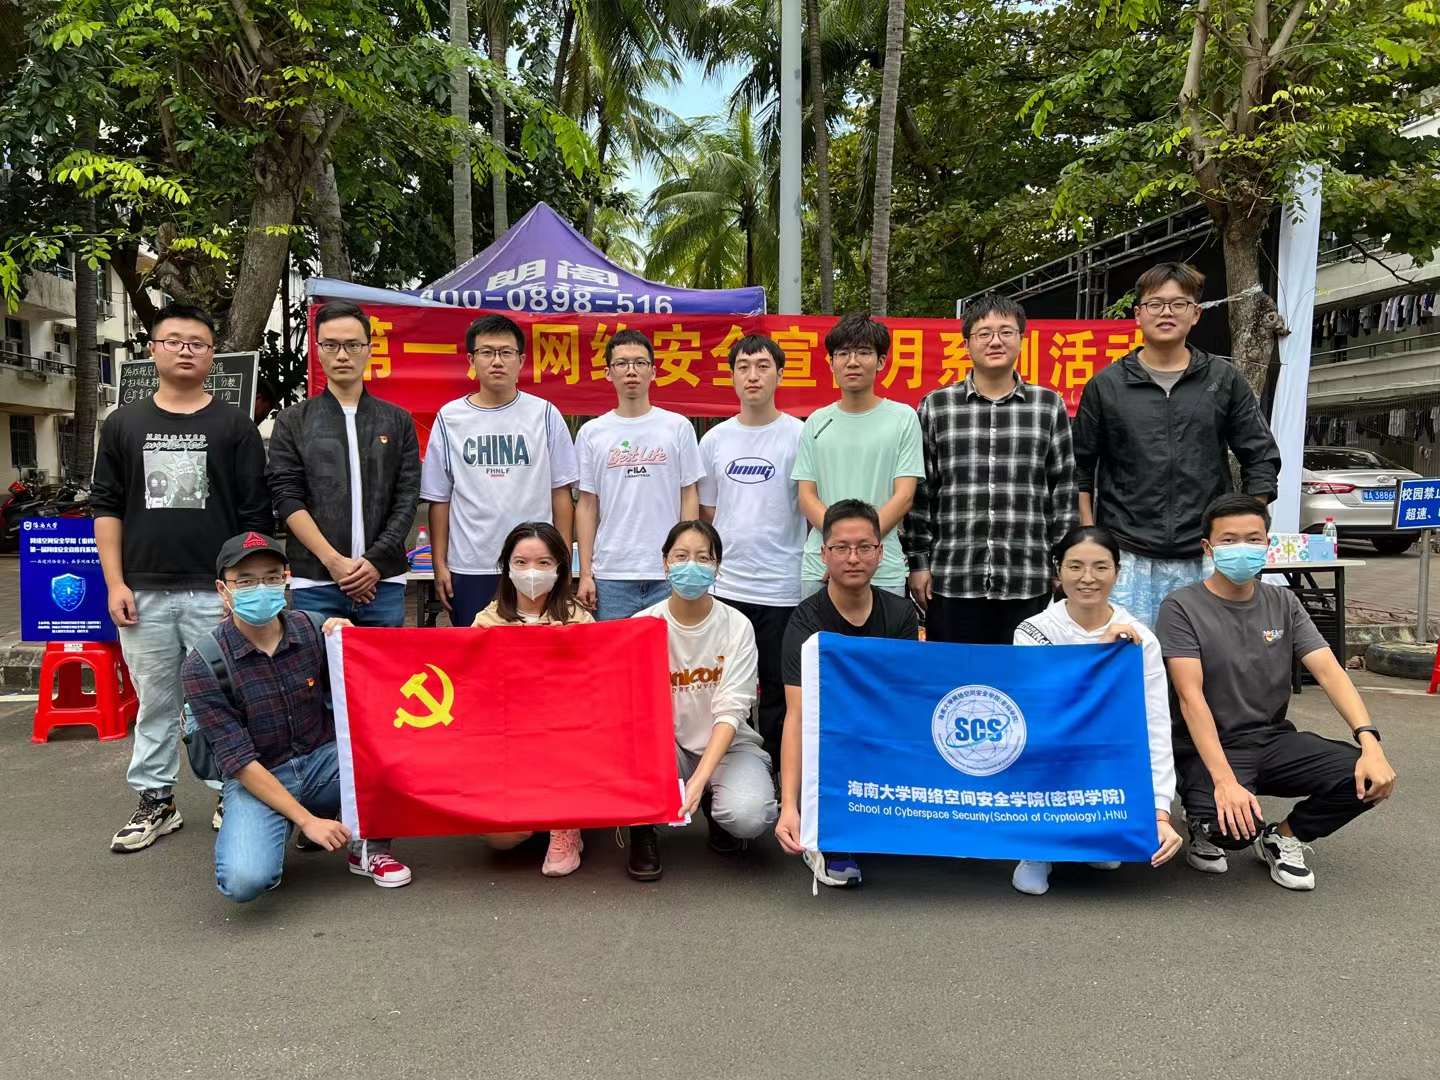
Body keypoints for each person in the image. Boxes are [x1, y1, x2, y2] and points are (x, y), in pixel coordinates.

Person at [92, 302, 273, 853]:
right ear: (153, 350)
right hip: (143, 590)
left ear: (212, 355)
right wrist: (115, 583)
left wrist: (241, 589)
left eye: (197, 343)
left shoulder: (235, 426)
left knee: (226, 698)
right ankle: (156, 800)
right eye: (173, 340)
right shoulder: (123, 424)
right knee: (155, 702)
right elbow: (106, 507)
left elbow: (254, 517)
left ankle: (230, 792)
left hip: (214, 593)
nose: (185, 350)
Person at [1156, 495, 1398, 891]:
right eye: (1229, 540)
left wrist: (1370, 743)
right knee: (1231, 830)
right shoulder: (1181, 607)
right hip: (1206, 747)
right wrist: (1225, 782)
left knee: (1368, 777)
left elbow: (1330, 672)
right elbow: (1190, 697)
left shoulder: (1284, 602)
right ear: (1208, 548)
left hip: (1271, 740)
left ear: (1267, 544)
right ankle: (1203, 819)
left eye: (1253, 539)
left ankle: (1285, 836)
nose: (1242, 548)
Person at [181, 532, 413, 900]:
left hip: (323, 761)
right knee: (244, 881)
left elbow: (366, 694)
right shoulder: (204, 664)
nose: (262, 588)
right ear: (223, 590)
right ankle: (290, 821)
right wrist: (307, 820)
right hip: (260, 774)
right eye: (246, 581)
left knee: (390, 755)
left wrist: (350, 643)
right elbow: (239, 762)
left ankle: (368, 848)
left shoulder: (312, 628)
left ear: (286, 580)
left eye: (272, 577)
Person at [1072, 262, 1281, 627]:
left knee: (1206, 654)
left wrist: (1241, 530)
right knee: (1130, 652)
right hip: (1127, 553)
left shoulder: (1224, 379)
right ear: (1138, 314)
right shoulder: (1106, 386)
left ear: (1195, 313)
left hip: (1205, 551)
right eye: (1155, 303)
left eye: (1178, 304)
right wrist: (1091, 538)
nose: (1166, 312)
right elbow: (1080, 468)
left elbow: (1260, 456)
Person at [1009, 525, 1182, 895]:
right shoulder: (1032, 630)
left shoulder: (1140, 638)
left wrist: (1159, 811)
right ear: (1058, 570)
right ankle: (1036, 850)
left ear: (1117, 572)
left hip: (1107, 753)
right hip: (1051, 748)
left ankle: (1102, 834)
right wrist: (1100, 656)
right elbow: (1043, 708)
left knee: (1122, 748)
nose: (1087, 578)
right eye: (1075, 566)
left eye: (1101, 567)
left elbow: (1154, 722)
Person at [905, 293, 1078, 644]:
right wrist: (919, 564)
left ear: (1021, 339)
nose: (995, 341)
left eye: (1005, 332)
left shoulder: (1048, 405)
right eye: (984, 333)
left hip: (1027, 575)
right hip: (952, 575)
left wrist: (1062, 562)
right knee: (953, 674)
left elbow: (1063, 490)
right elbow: (922, 493)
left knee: (1023, 675)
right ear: (967, 343)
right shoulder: (937, 406)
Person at [774, 500, 920, 887]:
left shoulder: (901, 614)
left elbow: (905, 700)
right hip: (830, 743)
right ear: (824, 554)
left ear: (880, 552)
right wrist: (790, 805)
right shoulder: (806, 621)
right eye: (841, 547)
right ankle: (826, 835)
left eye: (864, 547)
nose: (853, 558)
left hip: (881, 734)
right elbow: (797, 716)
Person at [629, 521, 777, 880]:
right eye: (681, 556)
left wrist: (700, 779)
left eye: (703, 557)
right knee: (631, 757)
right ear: (665, 563)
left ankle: (715, 802)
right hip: (667, 747)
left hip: (728, 746)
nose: (691, 566)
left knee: (751, 814)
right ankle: (642, 829)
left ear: (717, 567)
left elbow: (731, 710)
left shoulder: (737, 625)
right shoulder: (641, 624)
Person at [268, 300, 421, 629]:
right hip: (316, 581)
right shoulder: (293, 421)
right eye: (331, 345)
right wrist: (333, 562)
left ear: (368, 349)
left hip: (383, 580)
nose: (342, 355)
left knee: (383, 664)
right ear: (318, 350)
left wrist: (374, 562)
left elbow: (407, 497)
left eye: (352, 345)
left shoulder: (397, 420)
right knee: (318, 663)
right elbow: (287, 497)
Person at [421, 313, 578, 628]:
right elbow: (440, 499)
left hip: (534, 566)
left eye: (506, 352)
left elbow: (561, 494)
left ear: (521, 361)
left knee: (535, 650)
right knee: (476, 650)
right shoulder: (450, 418)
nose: (497, 361)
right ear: (471, 360)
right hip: (471, 564)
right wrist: (440, 565)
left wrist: (561, 561)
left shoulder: (545, 414)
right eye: (487, 352)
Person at [698, 333, 806, 765]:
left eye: (762, 366)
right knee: (725, 688)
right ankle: (727, 770)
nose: (753, 376)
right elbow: (708, 512)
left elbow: (807, 506)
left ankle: (779, 774)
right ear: (731, 377)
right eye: (743, 367)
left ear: (780, 374)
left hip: (783, 587)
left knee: (780, 689)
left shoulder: (800, 435)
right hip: (727, 587)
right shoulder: (715, 440)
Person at [471, 521, 595, 876]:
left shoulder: (579, 619)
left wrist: (570, 649)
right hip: (509, 738)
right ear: (507, 567)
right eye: (521, 562)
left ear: (559, 568)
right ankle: (536, 812)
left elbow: (598, 686)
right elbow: (471, 688)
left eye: (543, 563)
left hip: (565, 739)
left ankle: (565, 825)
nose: (531, 572)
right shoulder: (486, 621)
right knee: (503, 838)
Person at [792, 314, 923, 601]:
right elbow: (807, 496)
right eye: (843, 354)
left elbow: (904, 496)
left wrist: (856, 551)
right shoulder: (816, 422)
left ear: (881, 361)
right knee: (818, 634)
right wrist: (839, 552)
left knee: (885, 634)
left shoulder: (903, 418)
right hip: (821, 566)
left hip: (882, 568)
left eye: (863, 352)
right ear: (831, 363)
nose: (852, 362)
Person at [575, 329, 704, 621]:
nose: (631, 370)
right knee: (614, 650)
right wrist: (585, 573)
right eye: (621, 363)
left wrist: (686, 562)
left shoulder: (677, 427)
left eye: (640, 363)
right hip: (611, 574)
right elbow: (587, 505)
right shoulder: (592, 433)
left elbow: (689, 495)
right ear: (608, 373)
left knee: (671, 649)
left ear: (653, 371)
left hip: (668, 571)